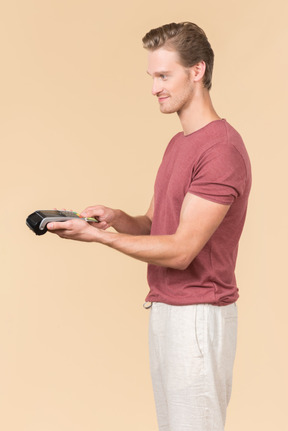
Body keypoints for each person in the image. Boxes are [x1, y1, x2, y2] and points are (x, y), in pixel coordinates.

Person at [47, 22, 252, 431]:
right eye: (152, 77)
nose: (154, 87)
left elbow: (180, 250)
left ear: (197, 71)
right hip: (167, 310)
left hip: (198, 314)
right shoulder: (180, 144)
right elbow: (155, 225)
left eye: (164, 75)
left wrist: (98, 239)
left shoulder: (221, 150)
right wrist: (116, 220)